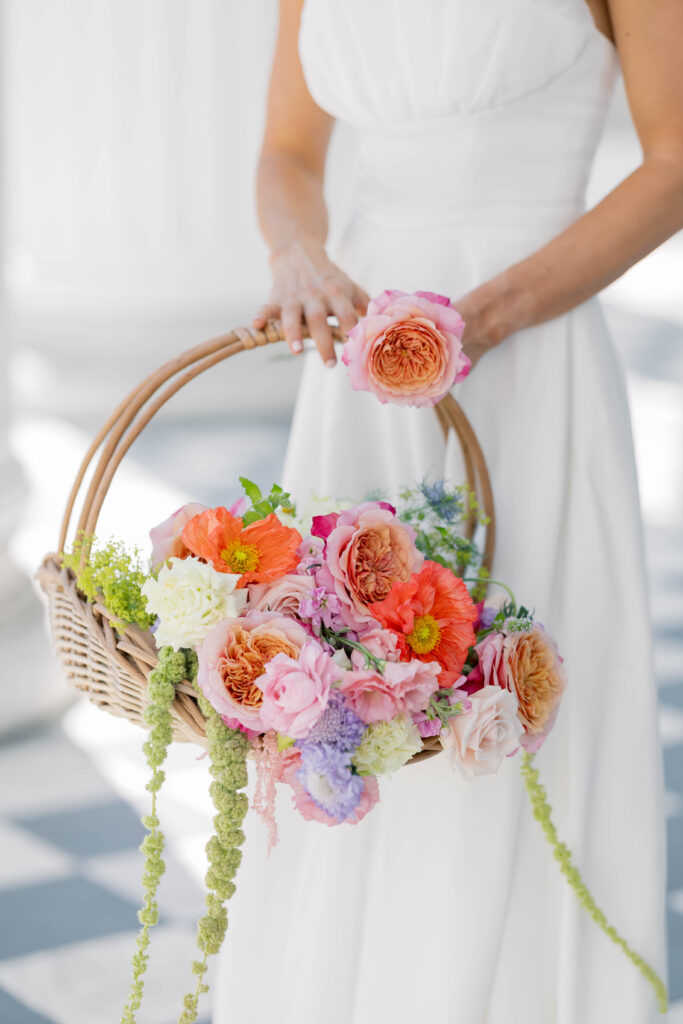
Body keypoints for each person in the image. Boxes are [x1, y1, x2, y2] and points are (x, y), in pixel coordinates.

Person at [214, 1, 681, 1020]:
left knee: (510, 707)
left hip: (526, 350)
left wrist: (484, 316)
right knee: (345, 698)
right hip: (355, 358)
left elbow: (674, 162)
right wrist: (295, 253)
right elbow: (287, 151)